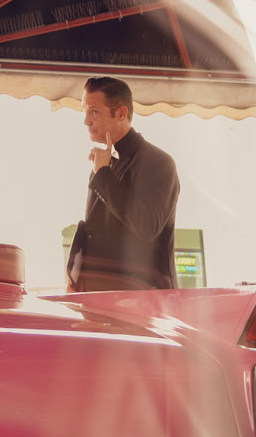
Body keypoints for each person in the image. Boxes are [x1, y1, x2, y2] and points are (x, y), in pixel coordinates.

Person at [66, 77, 179, 292]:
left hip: (144, 302)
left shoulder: (158, 162)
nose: (86, 121)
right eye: (85, 112)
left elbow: (146, 225)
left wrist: (103, 175)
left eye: (94, 112)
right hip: (101, 298)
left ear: (121, 114)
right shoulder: (105, 166)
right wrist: (76, 279)